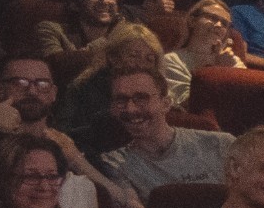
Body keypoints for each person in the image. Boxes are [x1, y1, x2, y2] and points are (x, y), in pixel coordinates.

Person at [96, 65, 233, 193]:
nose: (130, 109)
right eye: (121, 100)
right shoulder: (115, 163)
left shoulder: (220, 144)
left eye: (141, 98)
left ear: (166, 104)